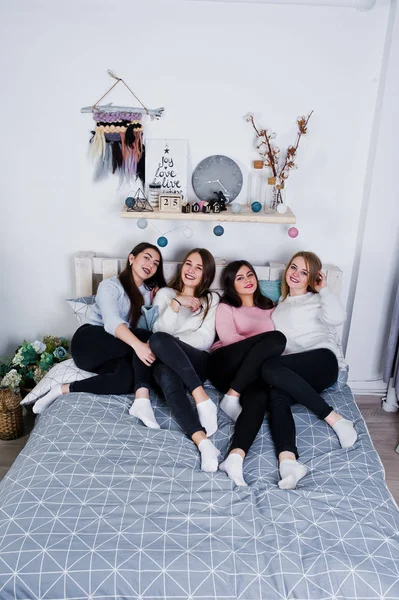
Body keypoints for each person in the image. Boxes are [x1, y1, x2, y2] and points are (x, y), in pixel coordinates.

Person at [210, 253, 357, 489]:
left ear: (312, 278)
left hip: (322, 360)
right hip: (290, 371)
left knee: (270, 368)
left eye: (304, 272)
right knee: (275, 393)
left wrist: (325, 290)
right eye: (294, 268)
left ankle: (335, 419)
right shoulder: (276, 306)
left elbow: (337, 317)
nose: (296, 274)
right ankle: (287, 462)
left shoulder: (316, 298)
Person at [33, 243, 166, 429]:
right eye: (147, 257)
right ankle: (142, 400)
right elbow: (111, 322)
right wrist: (138, 345)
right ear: (132, 258)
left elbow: (149, 322)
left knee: (127, 379)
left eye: (156, 263)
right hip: (89, 342)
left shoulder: (147, 294)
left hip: (113, 353)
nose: (151, 265)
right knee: (146, 338)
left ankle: (62, 389)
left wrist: (161, 300)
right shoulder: (110, 286)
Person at [149, 248, 220, 472]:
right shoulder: (165, 295)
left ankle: (200, 396)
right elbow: (158, 330)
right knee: (164, 372)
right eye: (189, 264)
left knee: (162, 343)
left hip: (196, 362)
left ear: (206, 275)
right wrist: (177, 302)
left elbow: (205, 339)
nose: (191, 270)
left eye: (199, 268)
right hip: (168, 364)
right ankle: (203, 442)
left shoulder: (211, 299)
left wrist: (172, 346)